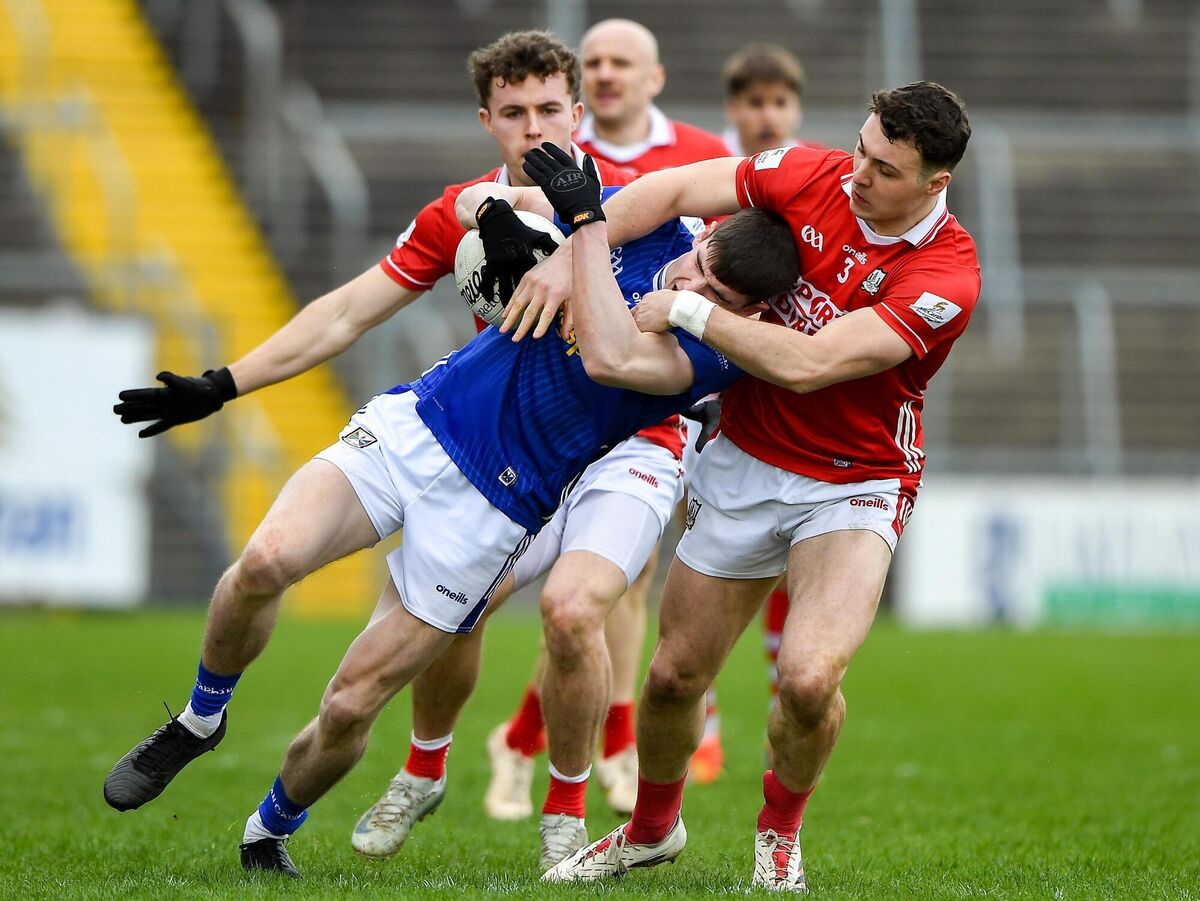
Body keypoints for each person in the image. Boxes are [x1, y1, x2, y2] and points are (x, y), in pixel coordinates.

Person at [103, 143, 799, 887]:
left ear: (749, 312)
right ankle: (200, 719)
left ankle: (269, 824)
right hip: (417, 425)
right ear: (708, 233)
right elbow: (467, 203)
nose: (694, 284)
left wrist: (588, 226)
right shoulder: (655, 228)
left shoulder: (716, 353)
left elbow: (611, 357)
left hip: (496, 507)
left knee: (349, 704)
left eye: (719, 294)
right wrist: (499, 211)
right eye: (702, 265)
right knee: (267, 559)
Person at [507, 81, 980, 891]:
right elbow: (671, 190)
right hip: (747, 458)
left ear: (935, 184)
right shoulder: (809, 172)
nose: (857, 175)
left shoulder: (946, 275)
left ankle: (779, 835)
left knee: (805, 680)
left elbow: (811, 363)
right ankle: (652, 831)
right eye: (861, 149)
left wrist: (687, 313)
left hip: (854, 482)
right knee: (670, 678)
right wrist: (563, 258)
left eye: (885, 168)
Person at [484, 16, 733, 820]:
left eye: (624, 61)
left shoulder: (691, 155)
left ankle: (605, 746)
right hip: (551, 399)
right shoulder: (541, 149)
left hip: (651, 400)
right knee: (530, 596)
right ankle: (527, 742)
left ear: (654, 77)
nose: (608, 72)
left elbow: (726, 259)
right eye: (594, 61)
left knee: (614, 586)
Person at [691, 42, 829, 785]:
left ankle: (784, 689)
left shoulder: (816, 185)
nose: (766, 115)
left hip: (781, 390)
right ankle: (702, 718)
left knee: (788, 565)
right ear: (734, 110)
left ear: (796, 110)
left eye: (779, 102)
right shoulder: (715, 180)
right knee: (697, 553)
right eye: (754, 102)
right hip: (708, 386)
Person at [575, 18, 729, 175]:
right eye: (593, 64)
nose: (604, 76)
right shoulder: (558, 153)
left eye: (620, 63)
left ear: (655, 79)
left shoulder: (709, 156)